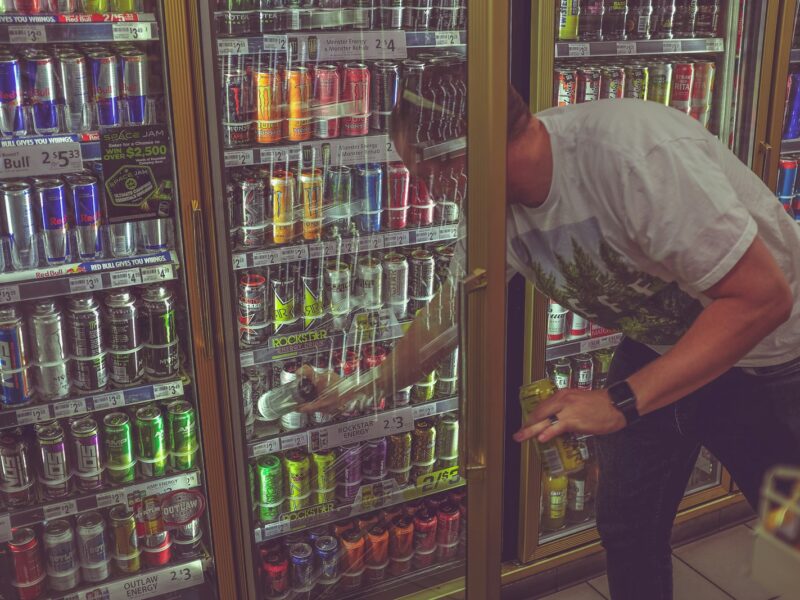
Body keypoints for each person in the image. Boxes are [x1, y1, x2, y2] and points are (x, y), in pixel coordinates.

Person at [301, 85, 800, 600]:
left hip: (773, 355)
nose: (429, 194)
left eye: (428, 175)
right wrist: (360, 387)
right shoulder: (493, 201)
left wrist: (619, 401)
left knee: (790, 530)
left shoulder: (633, 156)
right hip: (659, 347)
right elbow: (449, 318)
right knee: (628, 528)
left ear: (468, 154)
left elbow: (761, 300)